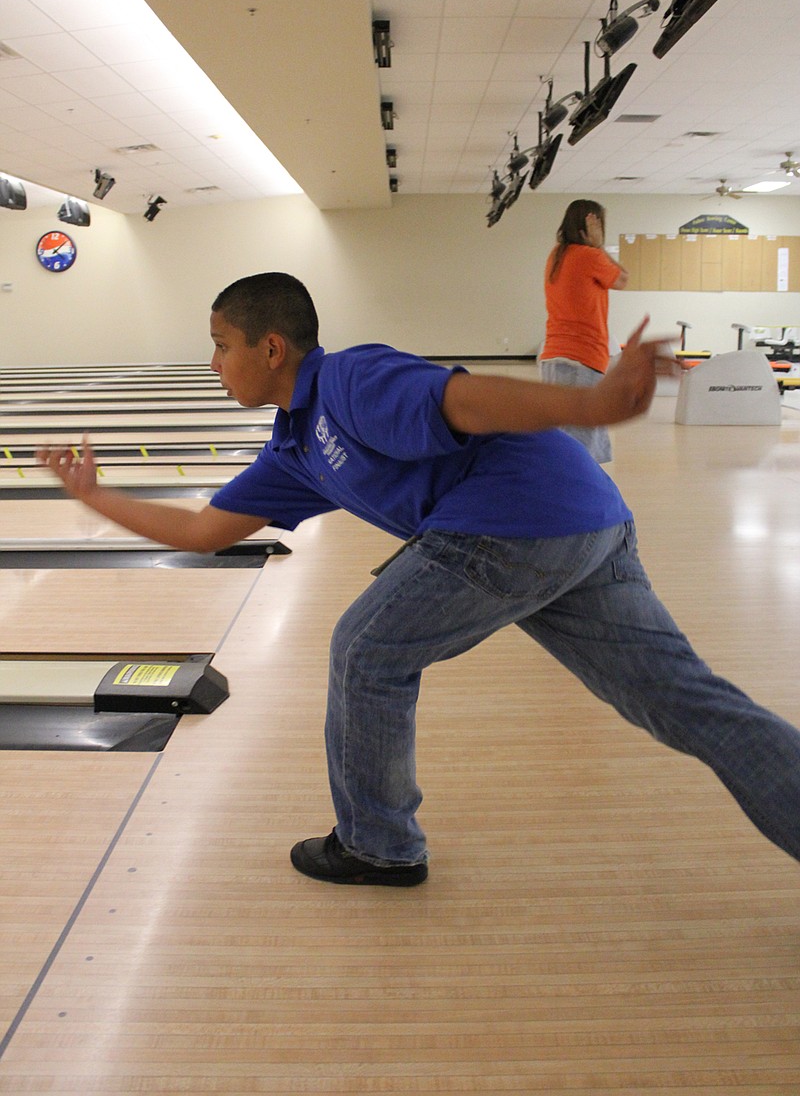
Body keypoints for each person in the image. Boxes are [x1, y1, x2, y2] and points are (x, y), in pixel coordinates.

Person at [38, 272, 800, 888]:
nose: (211, 363)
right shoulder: (296, 448)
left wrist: (590, 404)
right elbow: (205, 531)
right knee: (687, 705)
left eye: (219, 345)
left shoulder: (349, 380)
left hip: (516, 520)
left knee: (366, 650)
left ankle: (378, 845)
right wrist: (96, 497)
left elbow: (462, 400)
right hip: (585, 526)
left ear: (271, 348)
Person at [539, 199, 629, 463]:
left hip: (555, 356)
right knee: (580, 447)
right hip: (581, 358)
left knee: (566, 437)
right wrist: (599, 246)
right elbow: (623, 279)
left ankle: (573, 494)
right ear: (590, 225)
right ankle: (574, 498)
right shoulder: (589, 256)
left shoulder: (557, 255)